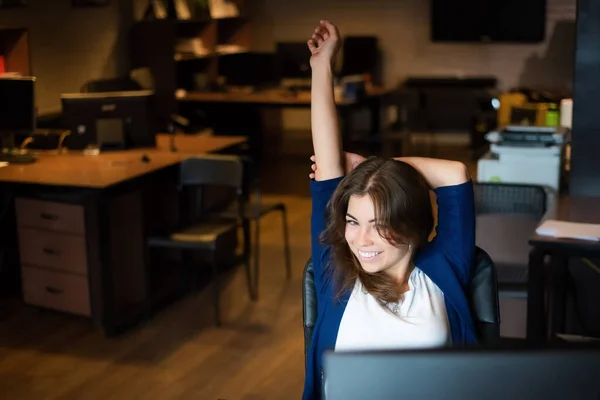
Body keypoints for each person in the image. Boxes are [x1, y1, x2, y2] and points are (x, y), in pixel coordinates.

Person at [304, 20, 477, 399]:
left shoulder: (443, 266)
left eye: (377, 224)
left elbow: (455, 174)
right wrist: (323, 65)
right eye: (352, 221)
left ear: (410, 223)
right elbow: (329, 163)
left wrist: (374, 167)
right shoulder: (337, 268)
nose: (359, 239)